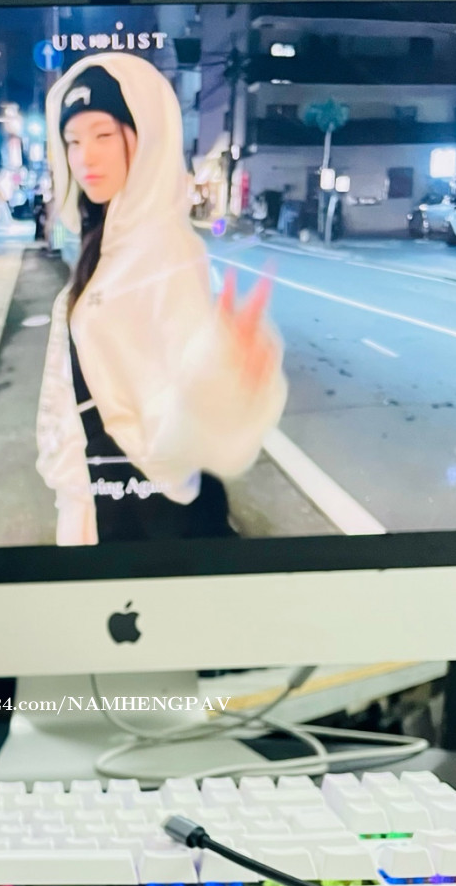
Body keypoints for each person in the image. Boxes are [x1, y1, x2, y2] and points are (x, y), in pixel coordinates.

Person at [36, 56, 287, 544]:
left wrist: (222, 378)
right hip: (97, 492)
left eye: (103, 135)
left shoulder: (167, 248)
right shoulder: (108, 238)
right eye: (73, 141)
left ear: (145, 137)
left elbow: (176, 410)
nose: (85, 157)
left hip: (135, 509)